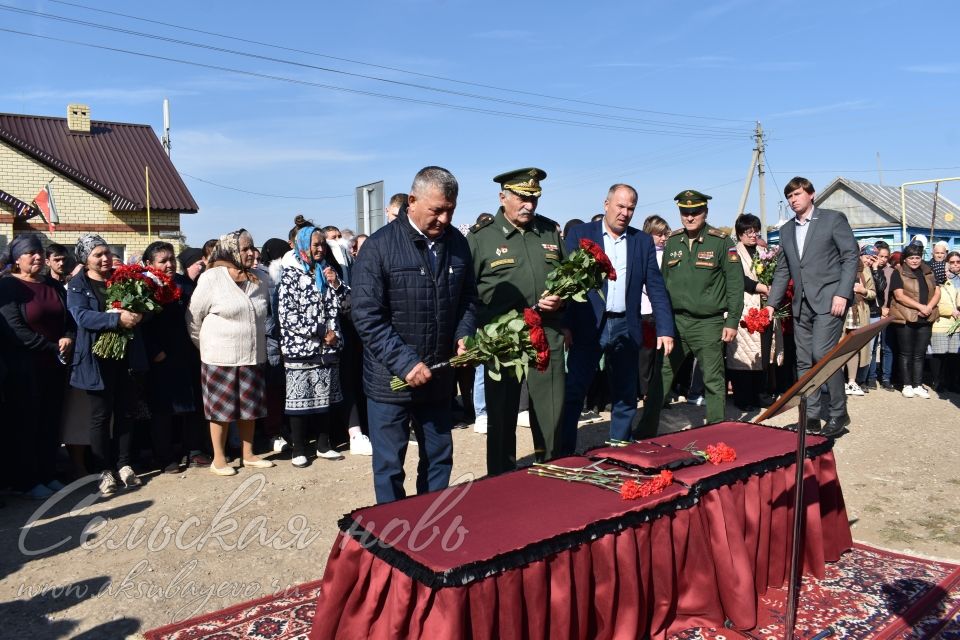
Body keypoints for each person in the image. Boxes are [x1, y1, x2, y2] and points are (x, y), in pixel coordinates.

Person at [351, 166, 477, 503]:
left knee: (438, 459)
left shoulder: (458, 245)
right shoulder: (378, 248)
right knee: (390, 465)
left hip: (437, 377)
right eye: (437, 210)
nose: (444, 218)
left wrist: (465, 334)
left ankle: (430, 525)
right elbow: (366, 316)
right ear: (412, 201)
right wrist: (405, 363)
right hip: (389, 381)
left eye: (450, 209)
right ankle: (392, 534)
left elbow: (467, 298)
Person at [560, 185, 673, 454]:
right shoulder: (580, 234)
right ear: (606, 204)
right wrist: (564, 323)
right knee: (575, 390)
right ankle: (564, 452)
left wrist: (665, 328)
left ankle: (620, 447)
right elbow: (565, 281)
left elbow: (655, 286)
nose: (625, 213)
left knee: (625, 393)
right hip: (588, 325)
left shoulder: (641, 241)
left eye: (631, 208)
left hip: (626, 324)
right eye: (620, 206)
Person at [467, 167, 565, 475]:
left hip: (547, 335)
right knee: (501, 417)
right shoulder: (481, 238)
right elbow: (466, 295)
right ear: (503, 197)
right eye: (522, 198)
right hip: (503, 343)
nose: (529, 205)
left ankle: (553, 471)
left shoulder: (549, 231)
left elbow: (566, 280)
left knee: (551, 414)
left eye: (534, 199)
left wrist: (561, 299)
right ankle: (501, 479)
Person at [637, 190, 744, 436]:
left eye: (695, 211)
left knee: (714, 381)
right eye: (685, 212)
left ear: (705, 212)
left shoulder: (721, 242)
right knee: (661, 378)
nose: (690, 216)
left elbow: (735, 285)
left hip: (708, 324)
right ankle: (645, 430)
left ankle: (716, 432)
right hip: (675, 323)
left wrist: (732, 321)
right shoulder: (673, 241)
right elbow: (660, 283)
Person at [765, 177, 859, 438]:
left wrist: (843, 293)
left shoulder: (832, 219)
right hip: (801, 304)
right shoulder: (785, 231)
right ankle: (812, 417)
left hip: (830, 301)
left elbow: (851, 256)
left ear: (811, 194)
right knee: (804, 362)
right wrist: (771, 305)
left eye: (797, 194)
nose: (793, 199)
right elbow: (783, 270)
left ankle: (839, 413)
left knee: (823, 354)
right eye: (789, 196)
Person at [187, 229, 274, 476]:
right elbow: (193, 318)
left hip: (252, 353)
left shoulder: (259, 279)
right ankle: (219, 458)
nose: (250, 253)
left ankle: (248, 455)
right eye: (244, 248)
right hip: (219, 356)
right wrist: (204, 346)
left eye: (251, 247)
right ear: (230, 250)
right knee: (221, 410)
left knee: (250, 408)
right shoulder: (212, 278)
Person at [67, 234, 146, 495]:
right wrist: (116, 320)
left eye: (107, 253)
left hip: (125, 357)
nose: (104, 258)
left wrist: (136, 313)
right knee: (100, 417)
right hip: (95, 359)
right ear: (85, 259)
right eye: (97, 254)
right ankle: (104, 470)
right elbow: (82, 316)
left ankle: (124, 464)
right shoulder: (78, 284)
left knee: (125, 412)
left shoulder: (121, 279)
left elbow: (134, 304)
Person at [0, 235, 76, 498]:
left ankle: (47, 473)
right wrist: (53, 347)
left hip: (54, 367)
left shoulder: (52, 286)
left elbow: (68, 317)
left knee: (50, 422)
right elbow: (15, 330)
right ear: (17, 259)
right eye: (31, 253)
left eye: (40, 252)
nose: (37, 257)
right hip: (24, 368)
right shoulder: (9, 286)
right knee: (26, 424)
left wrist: (68, 336)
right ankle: (26, 480)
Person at [278, 225, 350, 467]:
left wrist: (337, 284)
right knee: (300, 400)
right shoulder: (290, 274)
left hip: (328, 349)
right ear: (303, 246)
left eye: (323, 245)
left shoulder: (326, 272)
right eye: (315, 244)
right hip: (302, 348)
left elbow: (345, 304)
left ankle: (323, 445)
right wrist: (321, 332)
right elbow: (288, 315)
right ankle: (299, 448)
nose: (320, 249)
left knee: (324, 398)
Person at [140, 241, 199, 473]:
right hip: (160, 357)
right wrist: (154, 351)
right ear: (149, 264)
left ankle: (194, 450)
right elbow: (141, 326)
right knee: (163, 410)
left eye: (171, 259)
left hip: (187, 352)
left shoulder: (185, 284)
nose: (169, 264)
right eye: (162, 261)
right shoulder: (144, 286)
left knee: (192, 404)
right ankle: (164, 457)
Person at [726, 214, 778, 412]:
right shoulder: (734, 253)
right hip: (744, 306)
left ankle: (760, 394)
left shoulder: (763, 251)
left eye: (756, 230)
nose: (753, 234)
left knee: (763, 352)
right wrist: (763, 287)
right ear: (740, 234)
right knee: (743, 354)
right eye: (749, 231)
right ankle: (743, 397)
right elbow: (738, 278)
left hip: (764, 306)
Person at [889, 242, 940, 398]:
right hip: (906, 317)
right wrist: (919, 306)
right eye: (911, 258)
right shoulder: (898, 273)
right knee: (905, 353)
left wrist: (929, 307)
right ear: (905, 259)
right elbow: (899, 295)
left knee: (920, 353)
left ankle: (917, 384)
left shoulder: (928, 272)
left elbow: (937, 291)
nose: (915, 261)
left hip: (926, 317)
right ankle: (906, 384)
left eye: (917, 257)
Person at [638, 215, 670, 399]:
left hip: (662, 310)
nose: (663, 238)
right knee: (646, 353)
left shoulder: (667, 253)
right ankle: (645, 390)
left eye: (665, 234)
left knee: (660, 354)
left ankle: (659, 388)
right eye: (659, 234)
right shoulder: (644, 253)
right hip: (647, 310)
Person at [842, 246, 877, 396]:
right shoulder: (838, 266)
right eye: (867, 257)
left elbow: (873, 293)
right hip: (841, 311)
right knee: (839, 346)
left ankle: (852, 381)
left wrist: (864, 291)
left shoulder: (865, 270)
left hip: (859, 310)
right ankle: (836, 382)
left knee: (855, 346)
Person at [930, 251, 960, 393]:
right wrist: (950, 311)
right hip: (940, 324)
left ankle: (952, 382)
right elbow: (936, 305)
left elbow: (957, 302)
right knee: (939, 356)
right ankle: (938, 382)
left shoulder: (951, 285)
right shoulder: (934, 287)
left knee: (953, 356)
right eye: (946, 270)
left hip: (954, 325)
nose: (949, 272)